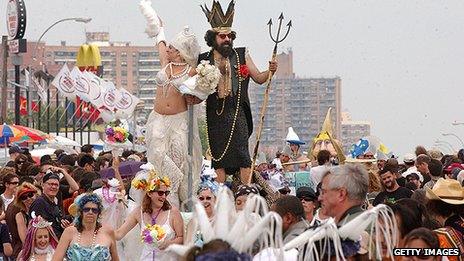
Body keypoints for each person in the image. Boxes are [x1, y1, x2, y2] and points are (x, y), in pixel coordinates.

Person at [196, 0, 278, 184]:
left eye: (229, 36)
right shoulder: (203, 60)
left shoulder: (241, 55)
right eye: (222, 36)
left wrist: (271, 70)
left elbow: (259, 77)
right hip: (215, 113)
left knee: (243, 155)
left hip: (237, 112)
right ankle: (220, 197)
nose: (227, 40)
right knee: (219, 160)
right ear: (213, 38)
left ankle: (246, 192)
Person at [139, 0, 202, 206]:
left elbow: (201, 93)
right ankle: (162, 197)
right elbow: (160, 39)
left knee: (179, 160)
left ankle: (176, 200)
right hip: (158, 119)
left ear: (181, 52)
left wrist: (197, 97)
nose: (168, 50)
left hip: (179, 121)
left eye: (173, 48)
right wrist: (159, 27)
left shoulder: (191, 71)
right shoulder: (165, 64)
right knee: (158, 157)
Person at [115, 173, 183, 260]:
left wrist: (169, 243)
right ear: (149, 194)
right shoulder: (138, 212)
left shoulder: (173, 212)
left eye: (166, 193)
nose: (164, 196)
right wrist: (100, 230)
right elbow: (119, 234)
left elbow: (181, 237)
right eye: (160, 193)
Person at [52, 193, 118, 261]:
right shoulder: (69, 232)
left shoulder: (108, 232)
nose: (90, 212)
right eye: (86, 209)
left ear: (99, 213)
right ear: (81, 212)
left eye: (94, 210)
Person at [29, 172, 72, 238]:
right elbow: (36, 229)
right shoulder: (39, 203)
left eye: (56, 185)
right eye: (50, 184)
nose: (54, 187)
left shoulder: (54, 202)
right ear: (43, 185)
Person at [5, 182, 40, 259]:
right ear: (20, 201)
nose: (28, 199)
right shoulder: (20, 215)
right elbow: (25, 240)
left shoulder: (42, 210)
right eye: (24, 197)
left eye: (30, 195)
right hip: (28, 252)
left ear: (36, 195)